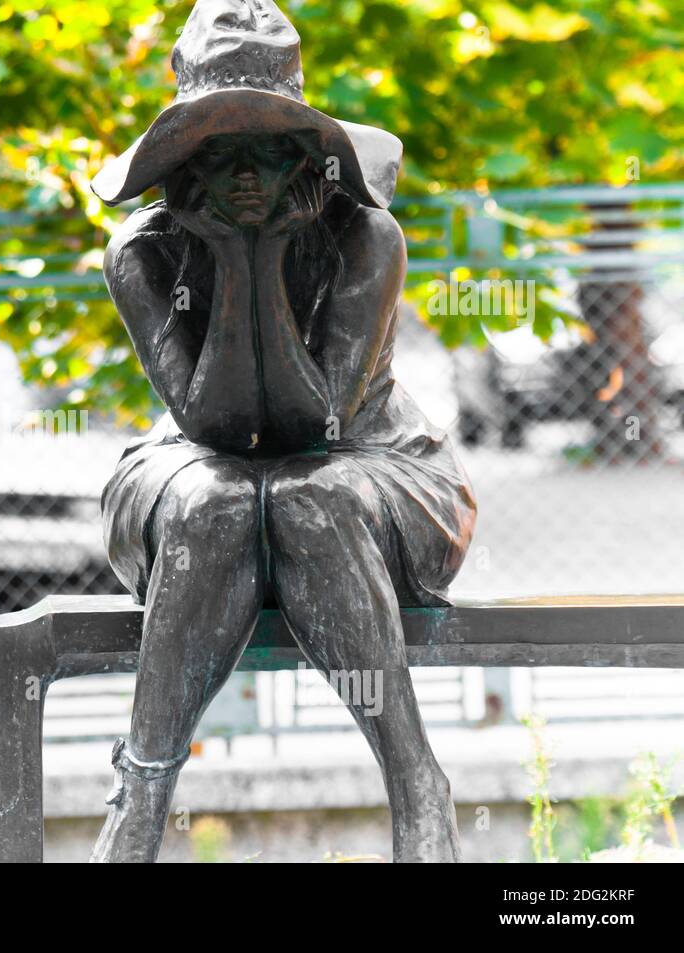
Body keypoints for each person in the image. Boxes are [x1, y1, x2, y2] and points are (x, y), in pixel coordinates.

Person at [89, 0, 477, 862]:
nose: (251, 176)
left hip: (371, 466)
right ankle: (143, 789)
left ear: (311, 156)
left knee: (310, 496)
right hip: (194, 464)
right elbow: (218, 427)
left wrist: (264, 258)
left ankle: (417, 782)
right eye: (225, 153)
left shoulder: (366, 237)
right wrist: (234, 261)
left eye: (273, 149)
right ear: (186, 163)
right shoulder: (142, 252)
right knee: (215, 504)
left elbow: (318, 425)